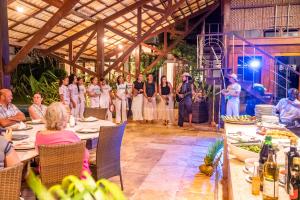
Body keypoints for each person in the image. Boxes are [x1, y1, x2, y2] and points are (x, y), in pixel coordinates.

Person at [35, 102, 90, 176]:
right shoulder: (70, 135)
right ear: (64, 118)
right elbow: (85, 155)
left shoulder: (39, 135)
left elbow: (37, 153)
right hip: (75, 178)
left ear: (46, 118)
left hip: (49, 177)